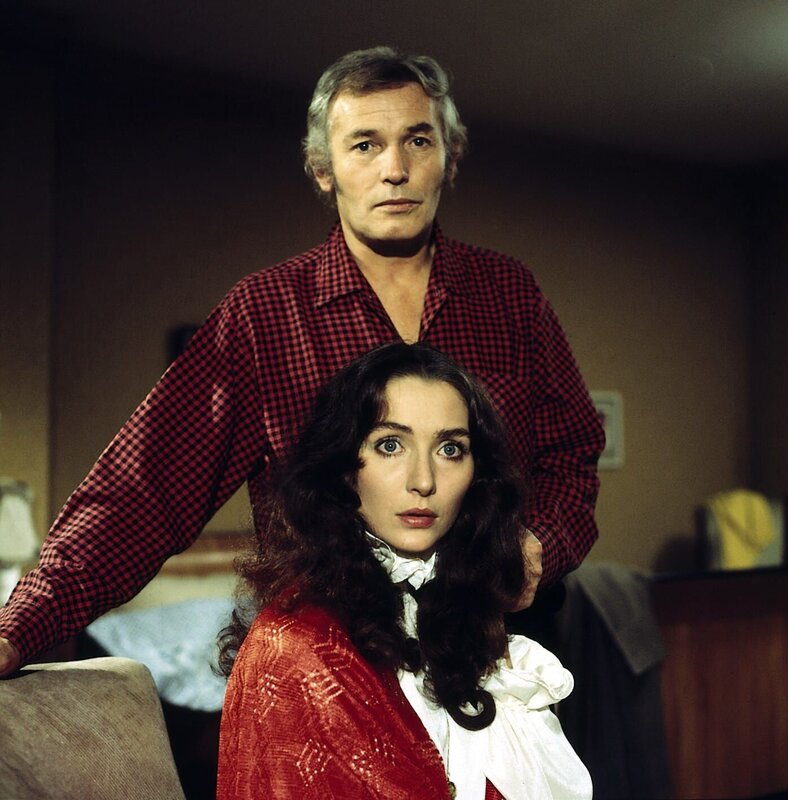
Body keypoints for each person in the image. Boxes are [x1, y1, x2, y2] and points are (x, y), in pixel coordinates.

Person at [0, 46, 604, 675]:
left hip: (497, 650)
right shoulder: (263, 313)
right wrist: (19, 626)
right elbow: (143, 491)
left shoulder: (509, 293)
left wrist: (537, 544)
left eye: (418, 141)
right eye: (365, 145)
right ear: (323, 169)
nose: (395, 169)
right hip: (334, 666)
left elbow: (572, 456)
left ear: (449, 158)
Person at [216, 342, 593, 800]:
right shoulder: (296, 646)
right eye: (390, 445)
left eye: (450, 449)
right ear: (343, 467)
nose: (424, 481)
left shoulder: (463, 612)